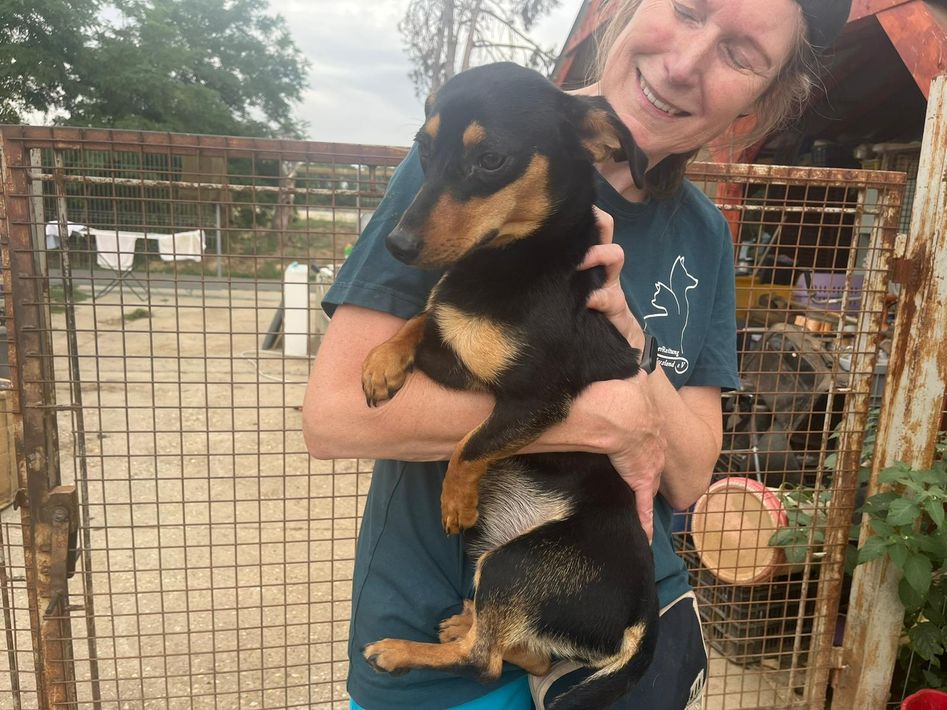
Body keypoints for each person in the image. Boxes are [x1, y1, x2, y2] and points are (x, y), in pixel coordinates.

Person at [303, 1, 852, 708]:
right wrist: (599, 420)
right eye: (687, 8)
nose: (684, 65)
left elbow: (689, 475)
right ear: (624, 8)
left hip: (616, 607)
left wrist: (631, 342)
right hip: (439, 641)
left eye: (741, 54)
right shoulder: (467, 148)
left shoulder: (705, 234)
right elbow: (335, 417)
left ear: (761, 102)